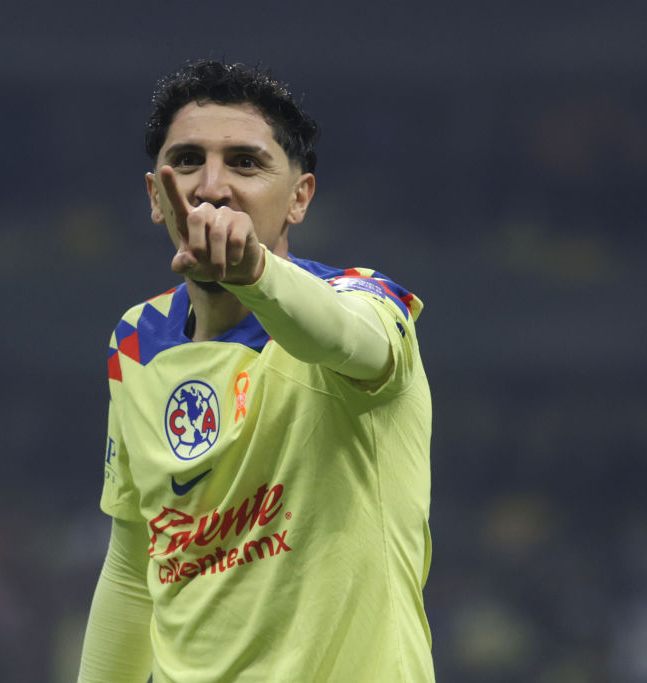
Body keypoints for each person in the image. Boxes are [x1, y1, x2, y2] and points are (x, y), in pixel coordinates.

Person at [78, 59, 434, 682]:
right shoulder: (135, 341)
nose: (211, 186)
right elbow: (135, 571)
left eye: (245, 162)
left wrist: (259, 275)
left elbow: (348, 339)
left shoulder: (368, 303)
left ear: (300, 197)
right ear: (156, 199)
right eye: (187, 160)